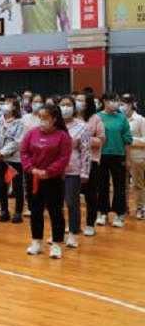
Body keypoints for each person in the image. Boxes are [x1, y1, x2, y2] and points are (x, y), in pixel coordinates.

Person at [20, 104, 72, 259]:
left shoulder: (63, 136)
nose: (42, 120)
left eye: (45, 117)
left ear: (54, 119)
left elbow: (63, 159)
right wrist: (31, 169)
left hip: (53, 179)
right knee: (35, 210)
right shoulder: (31, 133)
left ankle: (56, 244)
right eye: (40, 117)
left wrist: (48, 172)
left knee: (55, 211)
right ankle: (36, 242)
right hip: (34, 177)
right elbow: (24, 152)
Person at [96, 93, 132, 228]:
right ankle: (103, 213)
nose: (114, 102)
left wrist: (128, 159)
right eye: (111, 100)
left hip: (119, 155)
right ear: (104, 101)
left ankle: (119, 214)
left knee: (119, 186)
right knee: (102, 185)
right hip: (101, 155)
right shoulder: (97, 117)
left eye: (116, 100)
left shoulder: (122, 118)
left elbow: (127, 139)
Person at [60, 96, 90, 248]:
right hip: (54, 171)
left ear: (74, 108)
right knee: (55, 203)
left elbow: (86, 151)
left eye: (68, 105)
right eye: (62, 105)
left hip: (73, 170)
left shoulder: (81, 127)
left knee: (72, 202)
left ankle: (72, 234)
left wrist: (85, 171)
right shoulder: (53, 126)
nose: (65, 108)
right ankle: (57, 233)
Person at [75, 91, 105, 236]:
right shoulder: (70, 118)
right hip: (73, 162)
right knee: (72, 195)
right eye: (76, 99)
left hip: (90, 160)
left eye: (81, 100)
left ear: (88, 104)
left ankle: (89, 224)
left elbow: (101, 140)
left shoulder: (95, 119)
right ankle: (74, 225)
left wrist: (85, 140)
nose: (77, 102)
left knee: (90, 194)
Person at [0, 97, 25, 224]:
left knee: (17, 186)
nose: (5, 105)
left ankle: (18, 212)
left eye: (9, 103)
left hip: (14, 159)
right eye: (5, 103)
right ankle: (4, 211)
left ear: (14, 107)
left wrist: (4, 152)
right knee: (2, 185)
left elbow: (18, 142)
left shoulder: (20, 123)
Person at [123, 94, 145, 220]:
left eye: (124, 104)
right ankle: (124, 207)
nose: (122, 107)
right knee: (122, 184)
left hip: (137, 156)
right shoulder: (120, 119)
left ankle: (140, 208)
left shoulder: (140, 119)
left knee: (138, 184)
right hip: (121, 155)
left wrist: (129, 140)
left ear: (131, 105)